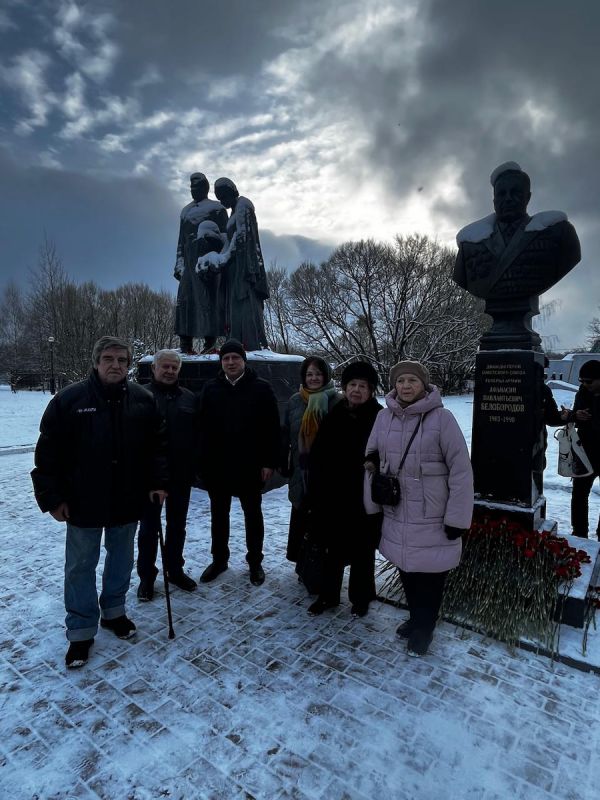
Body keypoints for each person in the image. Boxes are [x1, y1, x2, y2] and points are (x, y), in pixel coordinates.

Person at [31, 337, 168, 668]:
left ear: (129, 365)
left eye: (122, 360)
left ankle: (114, 612)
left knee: (121, 560)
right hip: (82, 501)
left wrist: (158, 483)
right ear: (96, 362)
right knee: (80, 566)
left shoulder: (143, 399)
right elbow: (48, 453)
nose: (115, 365)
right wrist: (52, 498)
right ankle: (80, 630)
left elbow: (158, 448)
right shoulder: (69, 400)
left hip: (127, 498)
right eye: (108, 358)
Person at [365, 360, 473, 657]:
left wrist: (457, 518)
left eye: (412, 380)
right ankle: (415, 619)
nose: (406, 386)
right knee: (407, 570)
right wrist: (372, 505)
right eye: (401, 381)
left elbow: (461, 470)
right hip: (397, 511)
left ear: (424, 385)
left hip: (432, 516)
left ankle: (425, 628)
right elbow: (371, 457)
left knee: (431, 577)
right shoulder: (384, 417)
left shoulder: (442, 419)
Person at [454, 162, 581, 350]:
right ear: (494, 200)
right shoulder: (470, 245)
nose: (508, 199)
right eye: (502, 194)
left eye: (515, 193)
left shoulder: (557, 235)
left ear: (527, 197)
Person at [197, 339, 280, 585]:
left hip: (250, 465)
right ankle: (219, 559)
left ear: (244, 360)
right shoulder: (211, 388)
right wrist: (202, 462)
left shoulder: (261, 388)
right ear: (221, 362)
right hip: (218, 465)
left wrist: (269, 462)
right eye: (226, 358)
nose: (231, 362)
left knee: (252, 515)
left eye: (235, 358)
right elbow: (202, 429)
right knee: (218, 515)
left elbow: (272, 428)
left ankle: (255, 561)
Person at [306, 361, 382, 618]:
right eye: (352, 385)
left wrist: (374, 463)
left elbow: (387, 452)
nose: (356, 390)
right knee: (333, 549)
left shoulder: (380, 417)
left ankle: (361, 597)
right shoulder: (335, 413)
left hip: (363, 496)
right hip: (333, 496)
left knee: (363, 549)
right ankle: (328, 595)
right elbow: (318, 454)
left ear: (371, 390)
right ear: (345, 387)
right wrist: (316, 489)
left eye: (363, 386)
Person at [136, 349, 199, 601]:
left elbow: (197, 435)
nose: (170, 371)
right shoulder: (140, 396)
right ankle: (147, 578)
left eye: (174, 367)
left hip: (180, 475)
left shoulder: (189, 398)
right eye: (165, 366)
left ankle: (175, 569)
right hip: (150, 478)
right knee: (149, 529)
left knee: (177, 526)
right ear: (154, 368)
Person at [282, 356, 340, 563]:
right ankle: (302, 564)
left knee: (324, 520)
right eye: (309, 374)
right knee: (301, 516)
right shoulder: (294, 401)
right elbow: (285, 433)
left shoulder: (338, 402)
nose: (314, 378)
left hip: (328, 473)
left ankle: (321, 566)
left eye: (318, 374)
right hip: (301, 471)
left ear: (326, 375)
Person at [213, 177, 269, 351]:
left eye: (224, 196)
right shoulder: (234, 211)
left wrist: (224, 258)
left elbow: (242, 237)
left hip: (244, 268)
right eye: (219, 198)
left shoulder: (244, 205)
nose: (222, 201)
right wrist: (217, 258)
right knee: (235, 308)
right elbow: (230, 241)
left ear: (232, 191)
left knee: (246, 306)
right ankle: (236, 343)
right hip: (234, 269)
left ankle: (251, 344)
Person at [174, 172, 228, 354]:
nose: (193, 190)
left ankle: (210, 343)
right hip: (188, 263)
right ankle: (185, 344)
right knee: (184, 301)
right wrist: (179, 264)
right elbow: (181, 242)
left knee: (208, 301)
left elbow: (225, 237)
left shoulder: (217, 208)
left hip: (206, 262)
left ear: (205, 187)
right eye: (191, 187)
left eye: (197, 187)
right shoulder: (185, 211)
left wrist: (217, 259)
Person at [564, 360, 600, 538]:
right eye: (582, 381)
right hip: (584, 450)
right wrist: (575, 415)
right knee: (579, 494)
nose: (585, 384)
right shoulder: (583, 393)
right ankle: (579, 533)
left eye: (589, 381)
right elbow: (574, 415)